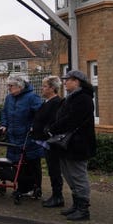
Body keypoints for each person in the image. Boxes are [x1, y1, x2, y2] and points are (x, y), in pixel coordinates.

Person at [48, 70, 96, 221]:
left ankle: (83, 209)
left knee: (78, 176)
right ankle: (76, 205)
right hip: (68, 145)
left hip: (78, 145)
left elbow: (71, 119)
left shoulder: (83, 99)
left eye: (68, 79)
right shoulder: (72, 98)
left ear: (77, 82)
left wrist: (53, 128)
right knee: (69, 175)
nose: (65, 82)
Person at [0, 74, 44, 200]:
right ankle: (22, 188)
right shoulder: (9, 98)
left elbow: (40, 114)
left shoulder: (32, 97)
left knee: (31, 163)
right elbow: (5, 113)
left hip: (27, 137)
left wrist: (34, 126)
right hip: (13, 136)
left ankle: (35, 188)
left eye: (11, 85)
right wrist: (3, 124)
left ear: (20, 86)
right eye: (8, 85)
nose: (9, 88)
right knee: (16, 163)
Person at [32, 76, 65, 208]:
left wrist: (46, 131)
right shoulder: (47, 101)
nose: (42, 88)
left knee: (54, 169)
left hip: (51, 142)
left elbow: (54, 122)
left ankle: (58, 196)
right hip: (44, 141)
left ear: (52, 88)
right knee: (52, 169)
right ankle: (56, 195)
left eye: (45, 86)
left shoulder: (57, 102)